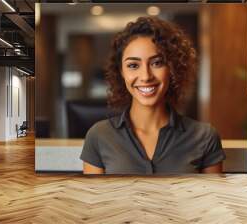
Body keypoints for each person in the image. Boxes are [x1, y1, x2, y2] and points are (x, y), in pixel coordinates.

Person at [80, 16, 226, 174]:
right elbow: (95, 198)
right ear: (121, 72)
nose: (146, 76)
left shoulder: (204, 136)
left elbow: (211, 198)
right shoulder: (99, 136)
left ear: (172, 68)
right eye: (133, 65)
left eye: (157, 63)